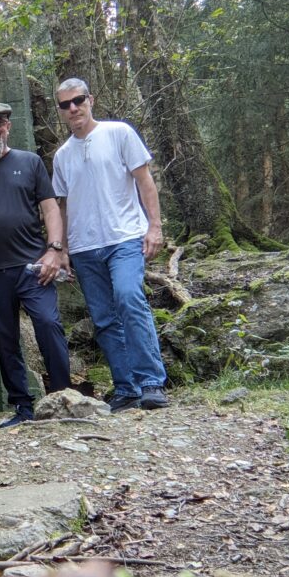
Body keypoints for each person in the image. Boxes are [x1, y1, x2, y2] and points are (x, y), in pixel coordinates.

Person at [51, 78, 169, 412]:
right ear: (60, 110)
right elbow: (61, 204)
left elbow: (145, 181)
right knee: (103, 318)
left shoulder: (119, 133)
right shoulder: (62, 156)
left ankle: (151, 382)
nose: (73, 108)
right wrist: (61, 250)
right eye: (65, 104)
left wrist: (154, 227)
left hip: (125, 237)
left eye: (78, 100)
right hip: (85, 247)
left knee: (129, 298)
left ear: (91, 99)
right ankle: (126, 388)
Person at [0, 101, 71, 427]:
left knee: (48, 324)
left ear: (8, 126)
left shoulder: (30, 162)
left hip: (33, 266)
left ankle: (62, 397)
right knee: (5, 340)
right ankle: (23, 408)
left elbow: (51, 208)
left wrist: (55, 250)